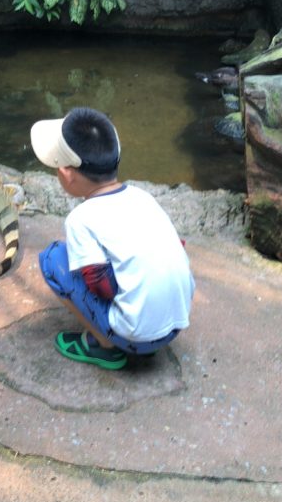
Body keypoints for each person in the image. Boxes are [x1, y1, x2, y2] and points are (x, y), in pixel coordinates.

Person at [31, 107, 195, 370]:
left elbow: (100, 286)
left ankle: (102, 345)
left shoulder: (80, 219)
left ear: (66, 174)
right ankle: (142, 326)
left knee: (52, 258)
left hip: (134, 337)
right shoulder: (143, 198)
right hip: (174, 326)